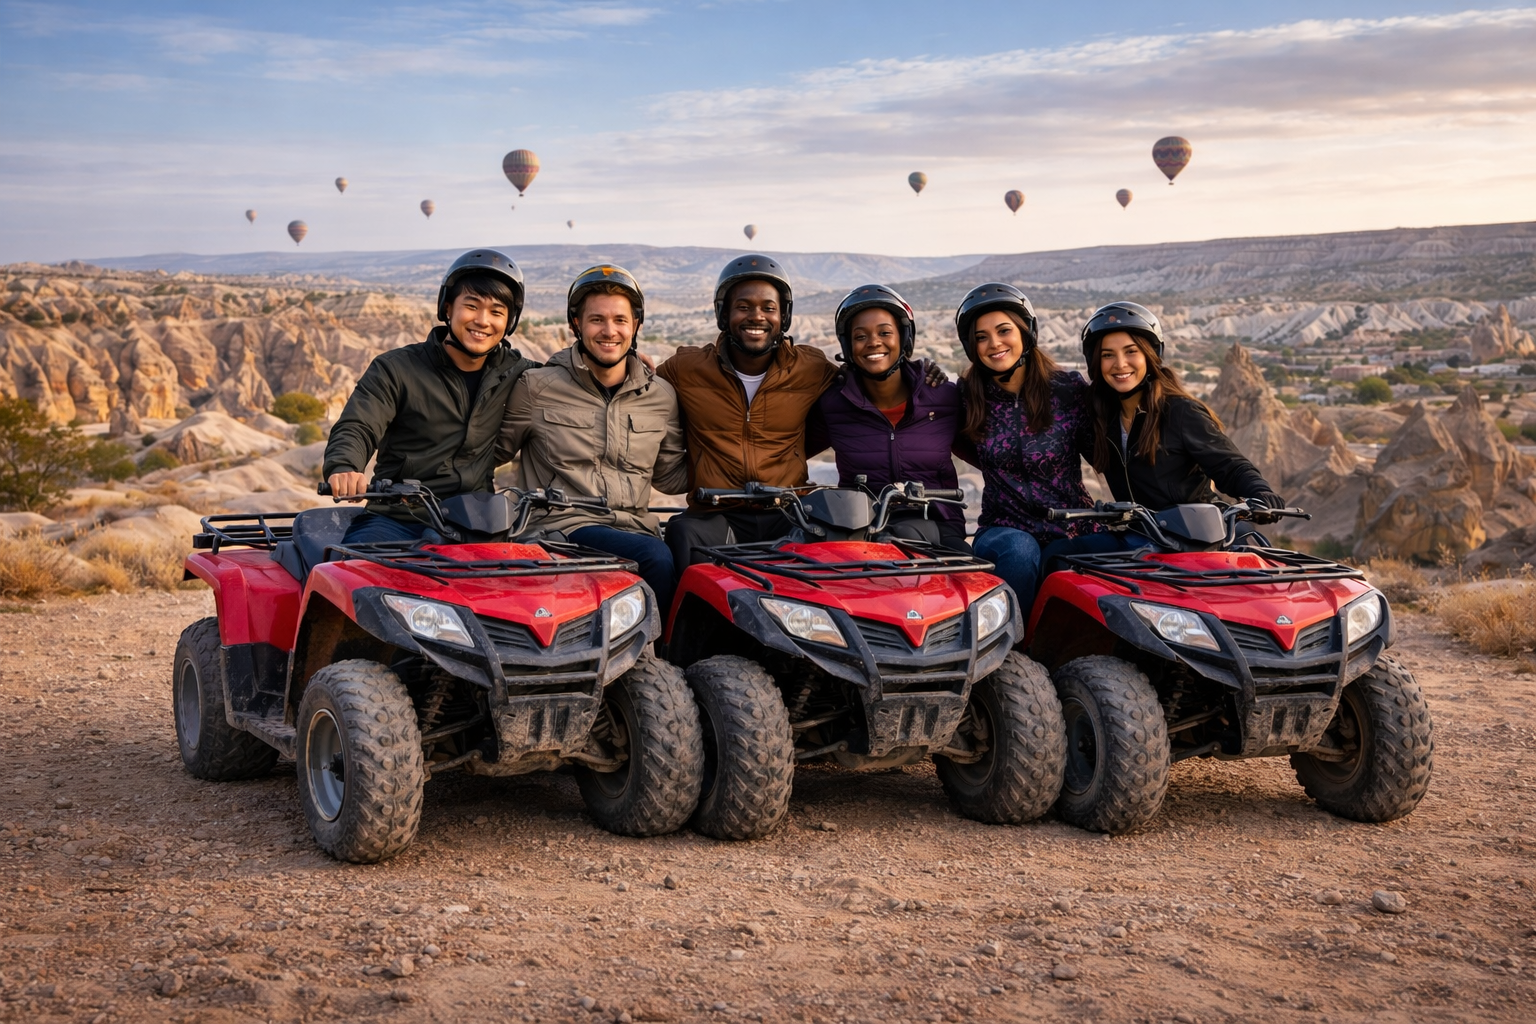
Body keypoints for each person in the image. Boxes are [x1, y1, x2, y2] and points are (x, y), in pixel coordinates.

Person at [496, 265, 687, 609]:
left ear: (636, 326)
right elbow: (493, 452)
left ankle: (672, 658)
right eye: (597, 319)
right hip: (560, 528)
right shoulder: (537, 387)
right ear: (576, 325)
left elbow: (671, 478)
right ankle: (656, 657)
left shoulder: (660, 395)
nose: (609, 331)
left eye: (620, 320)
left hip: (634, 529)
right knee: (656, 558)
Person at [325, 249, 538, 543]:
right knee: (358, 573)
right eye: (471, 306)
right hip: (398, 517)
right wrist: (345, 466)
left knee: (520, 583)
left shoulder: (519, 374)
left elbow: (568, 384)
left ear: (509, 322)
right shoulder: (396, 368)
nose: (482, 320)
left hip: (479, 522)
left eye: (497, 312)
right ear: (447, 308)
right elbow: (358, 425)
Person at [657, 254, 839, 572]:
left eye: (768, 308)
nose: (756, 316)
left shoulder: (811, 368)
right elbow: (635, 387)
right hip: (714, 513)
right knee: (681, 534)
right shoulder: (686, 368)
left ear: (784, 316)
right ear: (723, 314)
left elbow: (868, 384)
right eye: (743, 307)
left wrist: (921, 374)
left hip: (788, 511)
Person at [955, 283, 1102, 611]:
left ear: (1026, 332)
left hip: (1071, 525)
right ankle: (1008, 652)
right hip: (1003, 528)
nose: (994, 343)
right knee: (1020, 553)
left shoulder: (1067, 390)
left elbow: (1107, 455)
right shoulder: (966, 397)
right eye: (981, 337)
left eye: (1004, 330)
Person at [1079, 300, 1282, 528]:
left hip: (1199, 536)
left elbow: (1230, 466)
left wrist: (1260, 492)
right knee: (1060, 554)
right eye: (1108, 355)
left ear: (1150, 355)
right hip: (1142, 536)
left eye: (1131, 352)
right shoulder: (1099, 418)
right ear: (1095, 361)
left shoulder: (1180, 412)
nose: (1120, 363)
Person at [805, 283, 968, 551]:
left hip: (938, 530)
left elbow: (988, 455)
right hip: (857, 532)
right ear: (847, 345)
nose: (873, 342)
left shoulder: (944, 397)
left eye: (885, 332)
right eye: (860, 336)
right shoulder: (833, 404)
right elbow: (789, 452)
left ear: (904, 338)